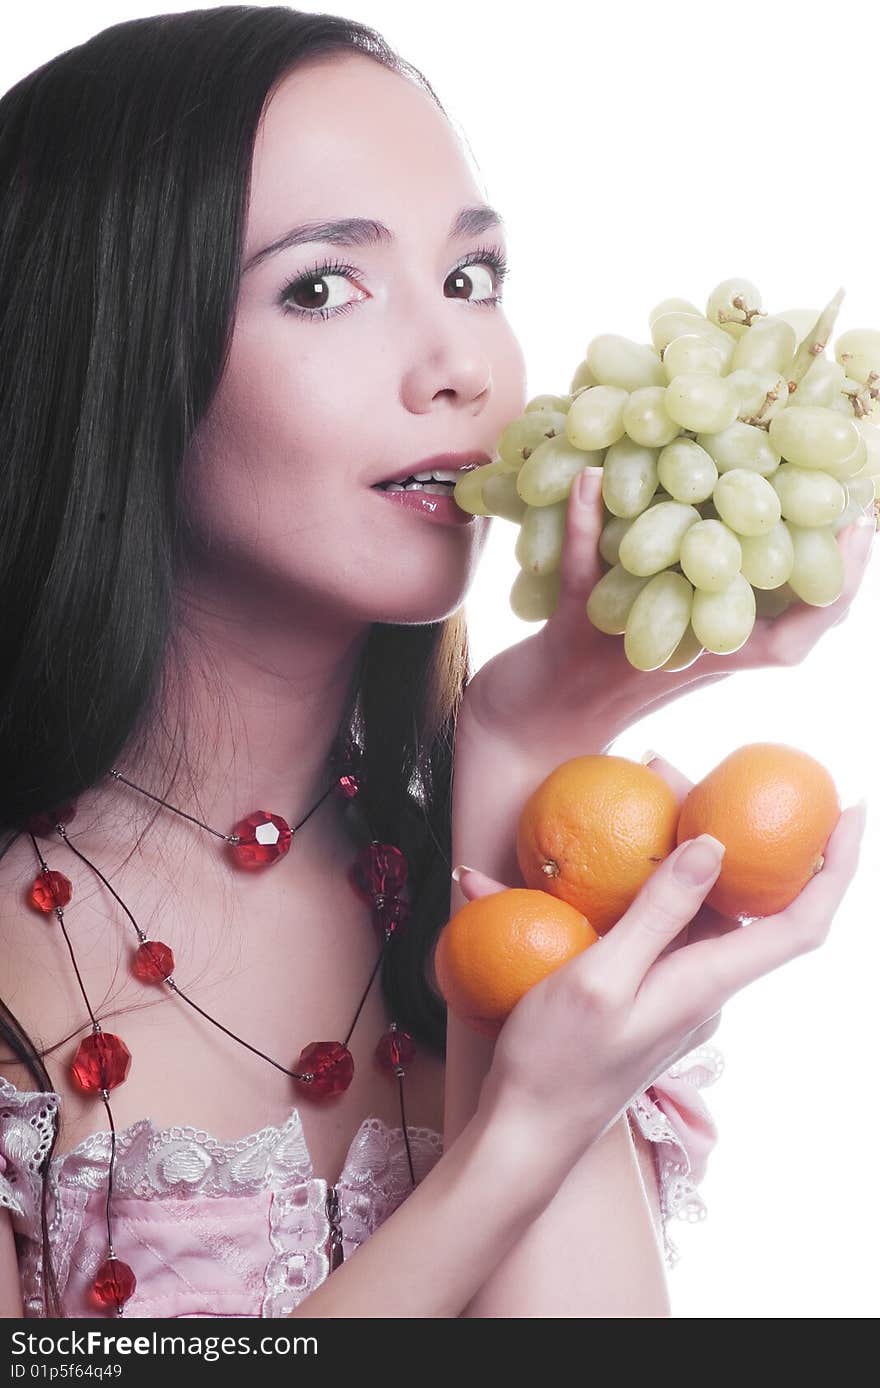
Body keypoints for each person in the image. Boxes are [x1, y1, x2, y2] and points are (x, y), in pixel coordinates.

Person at [0, 7, 872, 1320]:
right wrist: (515, 1140)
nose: (463, 365)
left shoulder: (511, 857)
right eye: (321, 287)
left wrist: (524, 753)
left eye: (473, 278)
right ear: (109, 351)